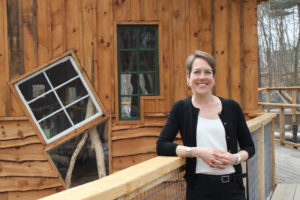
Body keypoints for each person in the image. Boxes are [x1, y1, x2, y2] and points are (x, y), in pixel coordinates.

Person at [156, 50, 255, 200]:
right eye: (196, 72)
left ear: (214, 78)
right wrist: (197, 152)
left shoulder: (231, 107)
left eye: (207, 72)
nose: (202, 77)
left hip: (232, 188)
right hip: (199, 189)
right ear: (188, 78)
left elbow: (249, 147)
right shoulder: (181, 108)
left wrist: (234, 158)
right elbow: (162, 145)